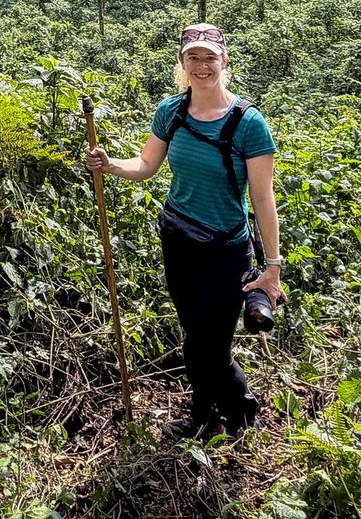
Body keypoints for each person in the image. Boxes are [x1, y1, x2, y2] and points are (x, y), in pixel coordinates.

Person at [84, 22, 283, 439]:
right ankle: (203, 415)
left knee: (213, 346)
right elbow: (146, 166)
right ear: (182, 62)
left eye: (209, 57)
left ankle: (242, 414)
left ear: (224, 62)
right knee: (194, 337)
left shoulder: (248, 123)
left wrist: (272, 268)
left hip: (226, 249)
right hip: (178, 238)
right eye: (193, 56)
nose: (201, 65)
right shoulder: (171, 111)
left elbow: (263, 199)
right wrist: (110, 164)